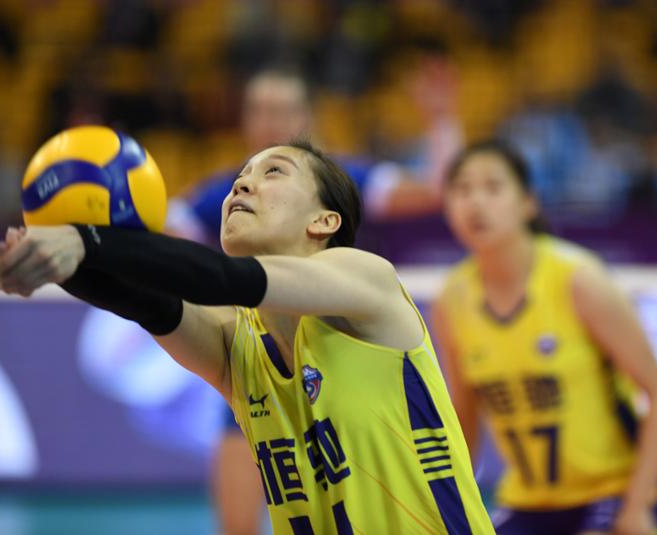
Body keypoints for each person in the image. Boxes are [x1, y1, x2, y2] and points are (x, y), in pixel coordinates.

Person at [0, 140, 495, 535]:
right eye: (240, 177)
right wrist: (56, 264)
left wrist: (84, 241)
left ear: (325, 221)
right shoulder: (240, 346)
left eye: (273, 172)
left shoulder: (367, 282)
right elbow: (149, 303)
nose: (242, 185)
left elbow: (220, 278)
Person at [166, 64, 461, 534]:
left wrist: (440, 121)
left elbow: (435, 191)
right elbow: (160, 234)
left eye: (282, 109)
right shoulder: (229, 192)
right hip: (265, 362)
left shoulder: (344, 177)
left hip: (351, 364)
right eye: (260, 110)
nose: (270, 120)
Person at [431, 140, 657, 535]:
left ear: (528, 203)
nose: (475, 202)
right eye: (462, 189)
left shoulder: (578, 279)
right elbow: (464, 420)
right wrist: (451, 512)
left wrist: (638, 506)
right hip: (529, 503)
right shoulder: (452, 299)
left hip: (613, 491)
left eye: (493, 187)